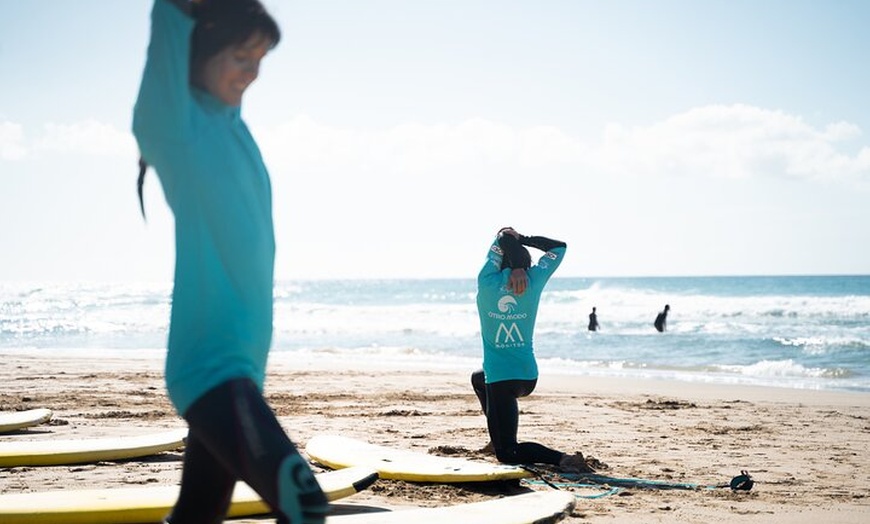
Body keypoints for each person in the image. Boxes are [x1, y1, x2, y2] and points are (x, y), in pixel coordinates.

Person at [132, 1, 328, 523]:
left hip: (243, 366)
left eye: (261, 58)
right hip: (209, 368)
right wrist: (183, 17)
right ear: (200, 51)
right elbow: (169, 21)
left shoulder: (233, 127)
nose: (253, 71)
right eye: (242, 55)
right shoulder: (175, 129)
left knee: (198, 514)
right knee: (304, 502)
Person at [471, 227, 594, 473]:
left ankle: (563, 459)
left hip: (501, 380)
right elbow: (559, 247)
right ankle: (497, 437)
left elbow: (501, 239)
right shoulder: (533, 280)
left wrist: (508, 240)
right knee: (477, 378)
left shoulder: (486, 281)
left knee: (507, 454)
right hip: (528, 376)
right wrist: (523, 241)